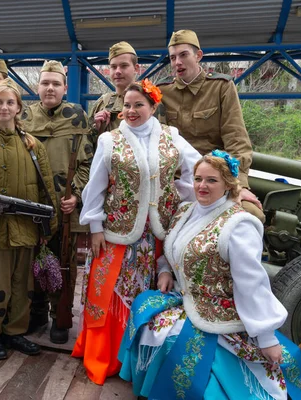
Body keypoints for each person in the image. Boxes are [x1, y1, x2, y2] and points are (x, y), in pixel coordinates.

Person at [118, 151, 301, 400]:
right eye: (198, 178)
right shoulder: (185, 211)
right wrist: (166, 270)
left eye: (211, 180)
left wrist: (266, 337)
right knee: (143, 308)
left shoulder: (239, 225)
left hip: (219, 311)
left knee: (175, 342)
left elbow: (251, 283)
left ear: (228, 185)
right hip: (186, 298)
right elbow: (174, 248)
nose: (202, 186)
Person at [72, 79, 201, 385]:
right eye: (127, 105)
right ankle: (107, 356)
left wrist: (183, 197)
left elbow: (198, 169)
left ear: (153, 107)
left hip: (157, 235)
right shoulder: (110, 140)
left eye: (138, 105)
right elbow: (96, 186)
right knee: (109, 293)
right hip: (116, 232)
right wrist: (94, 225)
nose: (130, 111)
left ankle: (140, 361)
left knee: (148, 292)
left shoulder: (172, 138)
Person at [0, 78, 58, 361]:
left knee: (22, 286)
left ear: (19, 108)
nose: (4, 107)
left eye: (10, 102)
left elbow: (46, 188)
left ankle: (15, 332)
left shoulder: (32, 145)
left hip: (27, 228)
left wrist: (46, 227)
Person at [21, 60, 94, 344]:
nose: (50, 88)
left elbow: (88, 163)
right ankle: (36, 311)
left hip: (63, 206)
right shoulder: (24, 117)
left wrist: (75, 194)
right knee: (31, 262)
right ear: (37, 87)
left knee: (63, 261)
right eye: (44, 83)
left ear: (65, 87)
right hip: (30, 204)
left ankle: (59, 316)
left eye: (56, 83)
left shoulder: (77, 116)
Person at [158, 29, 264, 221]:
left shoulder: (221, 87)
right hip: (178, 178)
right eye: (173, 58)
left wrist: (238, 184)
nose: (177, 62)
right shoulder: (162, 92)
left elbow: (236, 138)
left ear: (198, 56)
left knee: (251, 215)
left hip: (217, 176)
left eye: (183, 55)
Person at [89, 41, 139, 139]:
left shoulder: (150, 101)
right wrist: (96, 128)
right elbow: (86, 147)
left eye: (124, 66)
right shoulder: (102, 103)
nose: (118, 71)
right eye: (113, 67)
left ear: (136, 68)